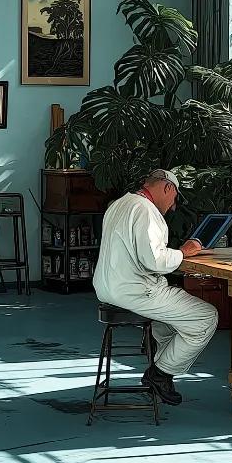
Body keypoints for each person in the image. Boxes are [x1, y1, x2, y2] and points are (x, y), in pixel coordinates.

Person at [94, 169, 216, 405]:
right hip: (135, 291)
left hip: (109, 288)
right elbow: (155, 261)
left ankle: (160, 363)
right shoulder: (145, 211)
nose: (173, 206)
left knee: (169, 324)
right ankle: (160, 374)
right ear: (168, 188)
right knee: (206, 318)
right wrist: (183, 253)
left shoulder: (121, 203)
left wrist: (177, 257)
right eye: (175, 198)